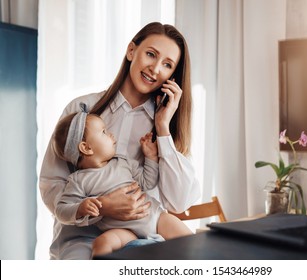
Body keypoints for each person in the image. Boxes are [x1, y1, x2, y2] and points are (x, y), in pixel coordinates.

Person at [40, 22, 200, 259]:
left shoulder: (166, 126)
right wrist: (103, 207)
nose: (155, 69)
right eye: (151, 54)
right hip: (79, 241)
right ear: (131, 51)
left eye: (167, 65)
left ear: (172, 77)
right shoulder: (81, 111)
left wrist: (163, 128)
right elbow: (52, 185)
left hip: (143, 236)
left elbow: (179, 202)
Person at [52, 107, 192, 258]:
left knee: (192, 245)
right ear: (86, 148)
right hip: (124, 232)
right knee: (102, 243)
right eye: (104, 132)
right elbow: (61, 211)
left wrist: (150, 157)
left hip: (154, 219)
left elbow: (147, 183)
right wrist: (80, 208)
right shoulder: (78, 180)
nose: (111, 134)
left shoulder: (122, 162)